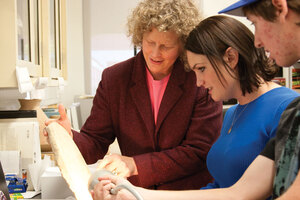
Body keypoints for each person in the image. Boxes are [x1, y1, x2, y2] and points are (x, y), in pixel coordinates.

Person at [91, 12, 300, 200]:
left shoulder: (286, 108)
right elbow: (219, 189)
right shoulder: (233, 114)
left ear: (231, 57)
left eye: (201, 69)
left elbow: (241, 194)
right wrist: (134, 194)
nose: (198, 82)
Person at [45, 0, 223, 190]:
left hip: (189, 193)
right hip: (137, 193)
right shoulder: (115, 79)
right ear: (140, 36)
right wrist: (68, 137)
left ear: (182, 44)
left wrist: (135, 164)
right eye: (150, 43)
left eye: (166, 46)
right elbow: (95, 143)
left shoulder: (200, 78)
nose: (155, 53)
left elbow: (199, 152)